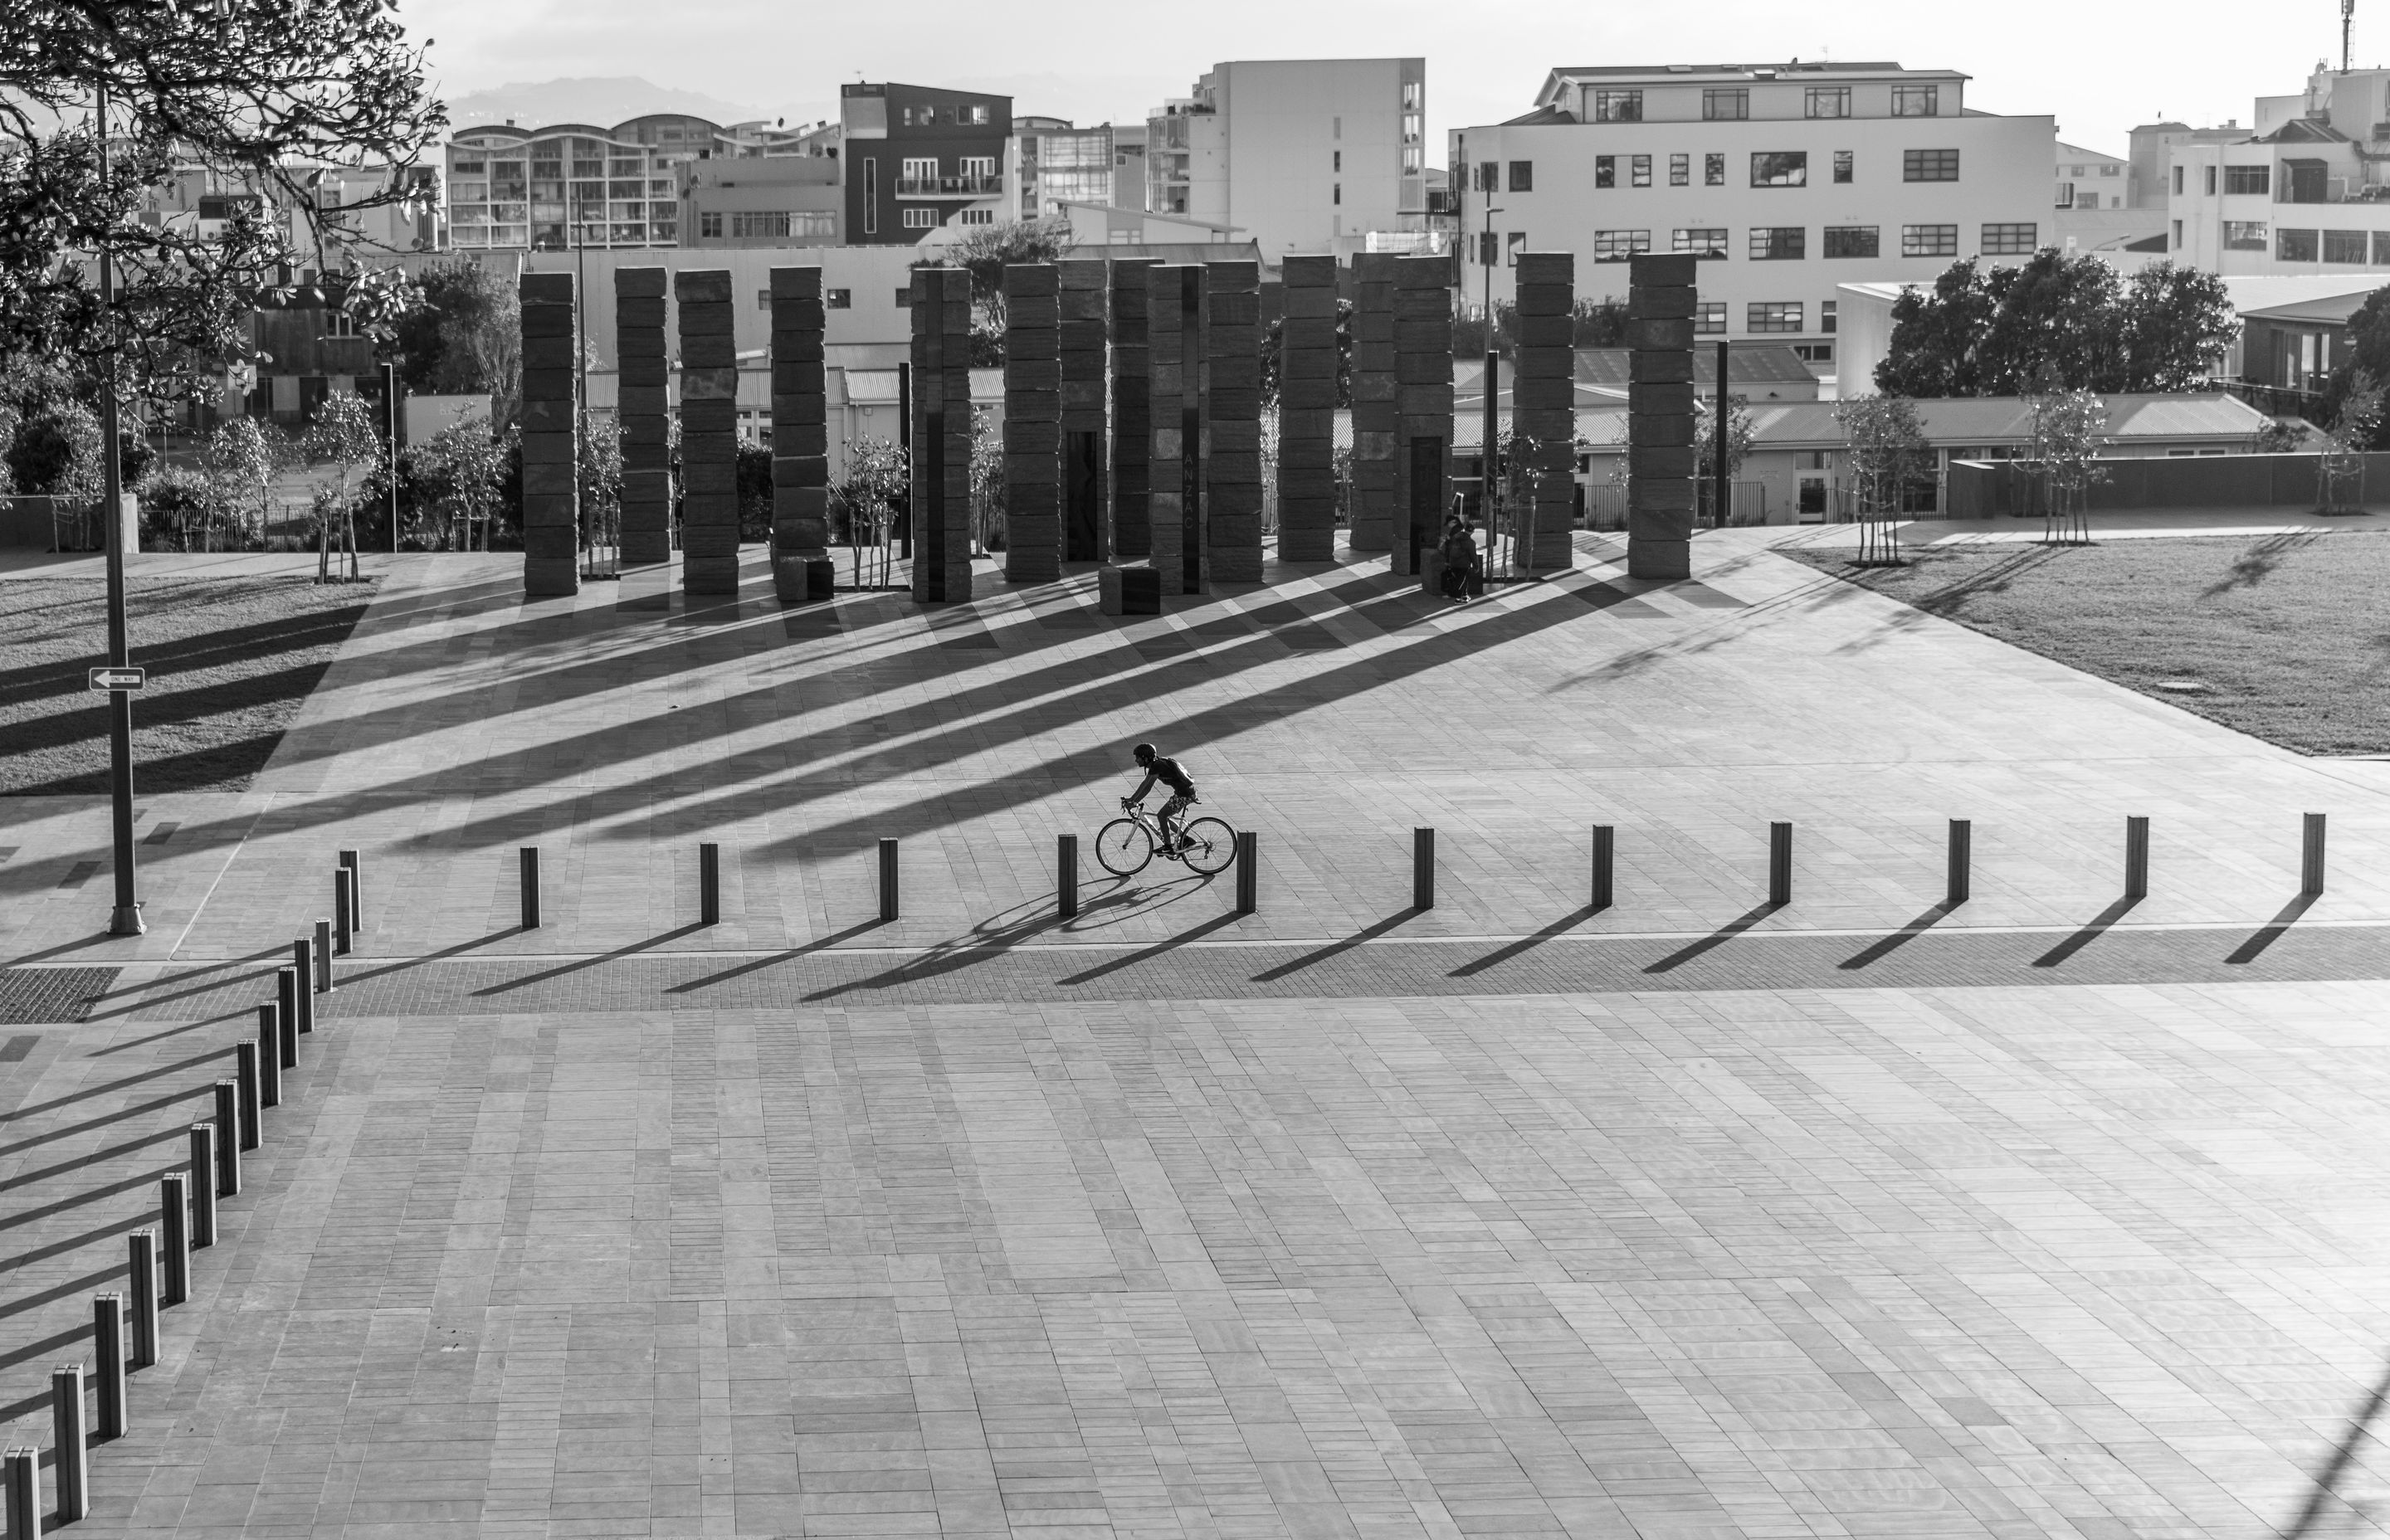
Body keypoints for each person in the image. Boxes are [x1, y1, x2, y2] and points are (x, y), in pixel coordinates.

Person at [1123, 743, 1197, 855]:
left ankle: (1168, 847)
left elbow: (1148, 787)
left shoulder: (1157, 765)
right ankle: (1185, 839)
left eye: (1137, 757)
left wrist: (1134, 802)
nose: (1136, 760)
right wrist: (1132, 799)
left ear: (1145, 757)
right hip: (1183, 792)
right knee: (1164, 817)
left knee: (1161, 816)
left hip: (1185, 794)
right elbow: (1144, 784)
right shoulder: (1155, 765)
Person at [1438, 515, 1479, 601]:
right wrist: (1476, 566)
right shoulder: (1470, 542)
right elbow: (1473, 555)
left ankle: (1462, 594)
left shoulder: (1455, 537)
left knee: (1456, 580)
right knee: (1461, 581)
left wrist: (1448, 560)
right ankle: (1458, 597)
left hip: (1453, 562)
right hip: (1464, 564)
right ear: (1472, 532)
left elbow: (1450, 548)